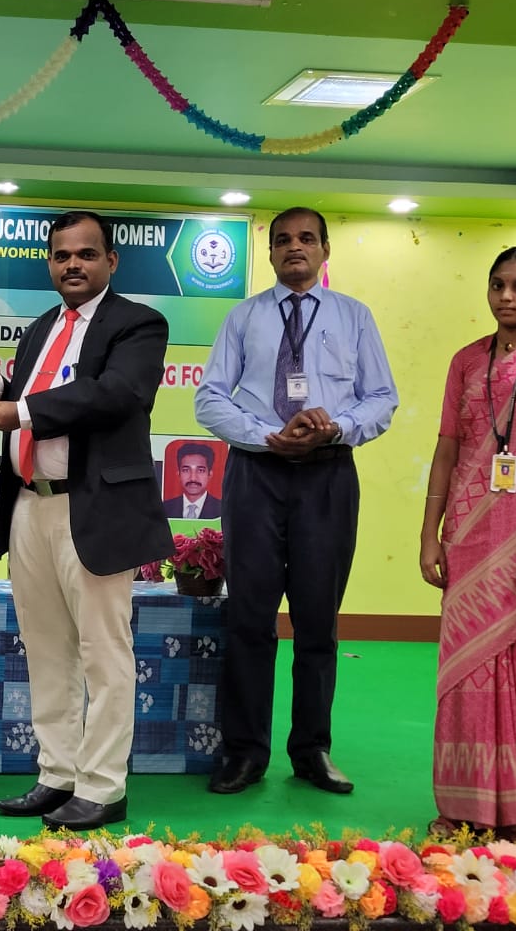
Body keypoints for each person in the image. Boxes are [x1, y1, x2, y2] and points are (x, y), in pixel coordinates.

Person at [0, 210, 172, 830]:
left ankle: (103, 785)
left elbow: (117, 394)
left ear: (112, 261)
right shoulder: (41, 328)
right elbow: (23, 402)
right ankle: (57, 774)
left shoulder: (138, 323)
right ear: (50, 264)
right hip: (30, 504)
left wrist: (22, 410)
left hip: (95, 508)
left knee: (103, 652)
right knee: (46, 650)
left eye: (86, 254)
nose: (73, 265)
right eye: (62, 255)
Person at [195, 207, 397, 796]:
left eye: (307, 238)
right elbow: (210, 398)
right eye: (283, 239)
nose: (294, 247)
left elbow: (382, 398)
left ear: (325, 249)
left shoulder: (354, 316)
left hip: (327, 476)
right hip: (257, 474)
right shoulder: (244, 317)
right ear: (270, 253)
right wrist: (267, 435)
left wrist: (336, 427)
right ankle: (244, 752)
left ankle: (311, 751)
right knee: (249, 619)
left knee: (317, 621)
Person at [420, 245, 516, 842]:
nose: (506, 297)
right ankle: (463, 805)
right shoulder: (466, 360)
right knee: (466, 669)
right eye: (497, 285)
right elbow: (447, 447)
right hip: (468, 530)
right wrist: (429, 534)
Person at [161, 442, 221, 518]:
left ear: (210, 474)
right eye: (186, 470)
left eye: (200, 470)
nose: (193, 478)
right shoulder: (163, 508)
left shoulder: (222, 510)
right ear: (179, 474)